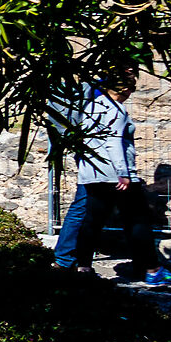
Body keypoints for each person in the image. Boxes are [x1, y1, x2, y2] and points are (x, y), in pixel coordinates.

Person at [54, 68, 139, 275]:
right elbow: (112, 140)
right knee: (126, 214)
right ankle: (148, 265)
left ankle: (73, 260)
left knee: (87, 210)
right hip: (104, 165)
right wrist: (123, 172)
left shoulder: (93, 90)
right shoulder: (101, 96)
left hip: (92, 160)